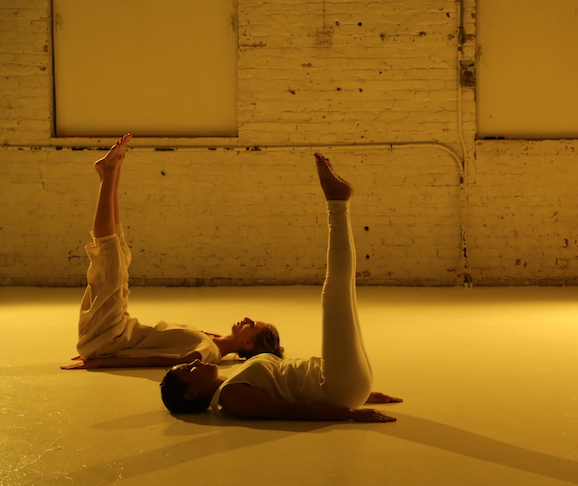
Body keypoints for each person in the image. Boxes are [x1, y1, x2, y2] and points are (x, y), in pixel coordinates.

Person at [160, 153, 402, 422]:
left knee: (343, 295)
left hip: (342, 386)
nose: (195, 363)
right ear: (192, 393)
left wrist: (363, 394)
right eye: (189, 370)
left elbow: (289, 391)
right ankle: (336, 202)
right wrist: (350, 414)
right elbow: (287, 410)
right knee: (337, 295)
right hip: (337, 390)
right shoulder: (231, 397)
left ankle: (338, 201)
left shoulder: (234, 383)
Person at [62, 134, 281, 370]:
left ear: (248, 343)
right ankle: (110, 174)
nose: (247, 319)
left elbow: (161, 361)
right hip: (117, 330)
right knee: (120, 253)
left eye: (252, 325)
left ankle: (109, 174)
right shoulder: (213, 339)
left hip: (109, 338)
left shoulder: (208, 352)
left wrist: (98, 362)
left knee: (110, 256)